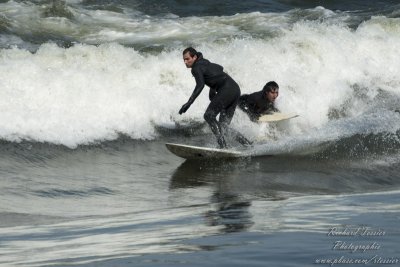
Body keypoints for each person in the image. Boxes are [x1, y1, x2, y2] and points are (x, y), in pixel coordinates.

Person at [178, 47, 251, 148]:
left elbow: (200, 85)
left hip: (227, 89)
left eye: (187, 59)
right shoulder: (205, 62)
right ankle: (248, 144)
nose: (185, 62)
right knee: (224, 126)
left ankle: (223, 147)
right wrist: (213, 89)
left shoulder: (196, 68)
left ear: (194, 57)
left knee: (209, 116)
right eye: (184, 60)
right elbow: (219, 68)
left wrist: (189, 103)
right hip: (235, 89)